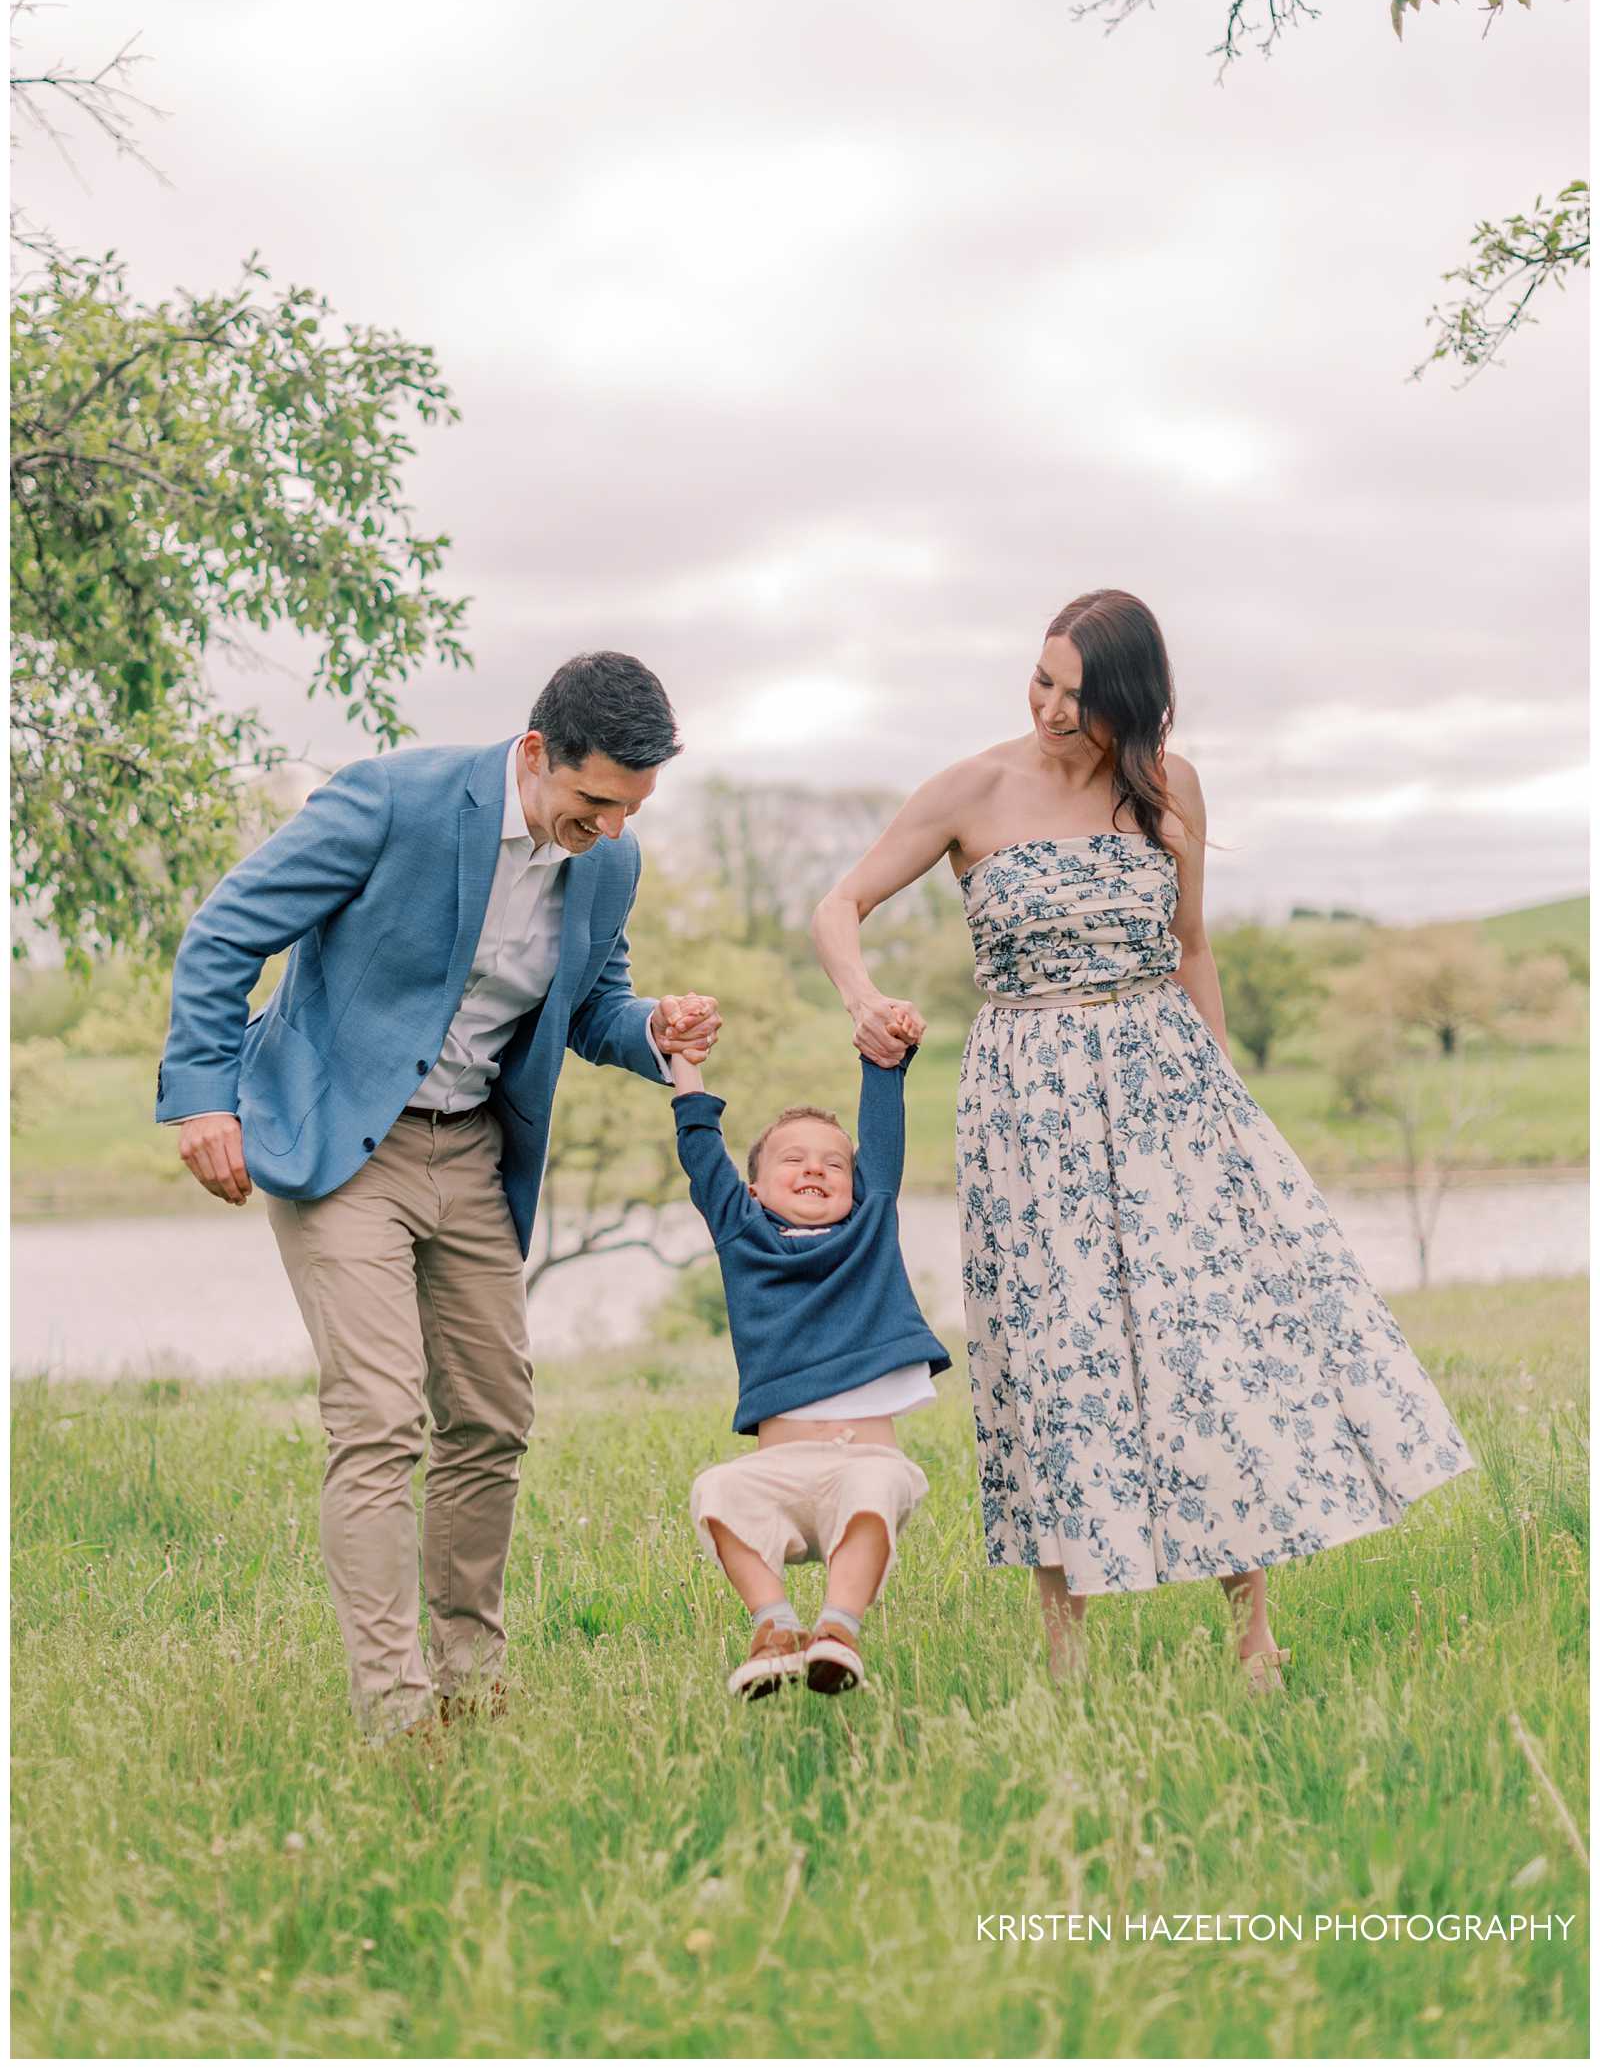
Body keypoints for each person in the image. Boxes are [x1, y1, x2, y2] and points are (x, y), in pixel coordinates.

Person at [810, 588, 1475, 1693]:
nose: (1053, 711)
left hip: (1165, 1080)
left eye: (1080, 694)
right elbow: (840, 905)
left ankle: (1253, 1632)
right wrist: (859, 996)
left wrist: (1225, 1095)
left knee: (1206, 1339)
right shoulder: (971, 788)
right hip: (1028, 1106)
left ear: (1135, 701)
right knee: (1050, 1351)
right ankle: (1065, 1654)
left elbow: (1193, 946)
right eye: (1041, 681)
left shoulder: (1169, 787)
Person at [157, 650, 722, 1744]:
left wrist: (649, 1026)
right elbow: (226, 929)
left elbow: (587, 1002)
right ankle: (396, 1709)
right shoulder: (390, 801)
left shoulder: (610, 861)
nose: (607, 827)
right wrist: (201, 1096)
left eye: (631, 807)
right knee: (377, 1421)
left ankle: (470, 1679)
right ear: (534, 754)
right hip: (339, 1143)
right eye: (593, 799)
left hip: (469, 1152)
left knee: (492, 1418)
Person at [669, 1020, 951, 1698]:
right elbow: (701, 1151)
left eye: (833, 1162)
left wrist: (884, 1059)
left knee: (875, 1491)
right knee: (717, 1490)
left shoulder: (871, 1228)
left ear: (857, 1187)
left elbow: (881, 1139)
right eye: (792, 1159)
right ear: (755, 1189)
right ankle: (775, 1629)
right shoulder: (743, 1236)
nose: (816, 1168)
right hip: (778, 1471)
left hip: (865, 1462)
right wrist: (683, 1063)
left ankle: (837, 1631)